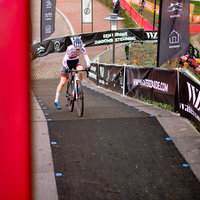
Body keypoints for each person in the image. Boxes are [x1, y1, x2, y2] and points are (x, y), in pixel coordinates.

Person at [54, 38, 90, 110]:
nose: (78, 51)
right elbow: (64, 60)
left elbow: (87, 58)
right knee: (62, 83)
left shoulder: (82, 49)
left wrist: (88, 66)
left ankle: (79, 86)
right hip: (67, 63)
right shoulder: (70, 48)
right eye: (76, 49)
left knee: (80, 70)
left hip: (75, 61)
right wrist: (67, 67)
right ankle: (56, 101)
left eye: (79, 49)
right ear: (74, 47)